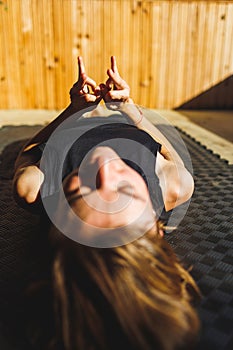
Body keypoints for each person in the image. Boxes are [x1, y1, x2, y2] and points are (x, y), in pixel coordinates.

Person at [13, 56, 200, 350]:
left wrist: (72, 111)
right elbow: (167, 153)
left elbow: (26, 152)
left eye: (80, 192)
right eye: (125, 189)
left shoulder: (34, 189)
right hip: (123, 122)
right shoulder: (175, 186)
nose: (104, 166)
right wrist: (129, 108)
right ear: (156, 226)